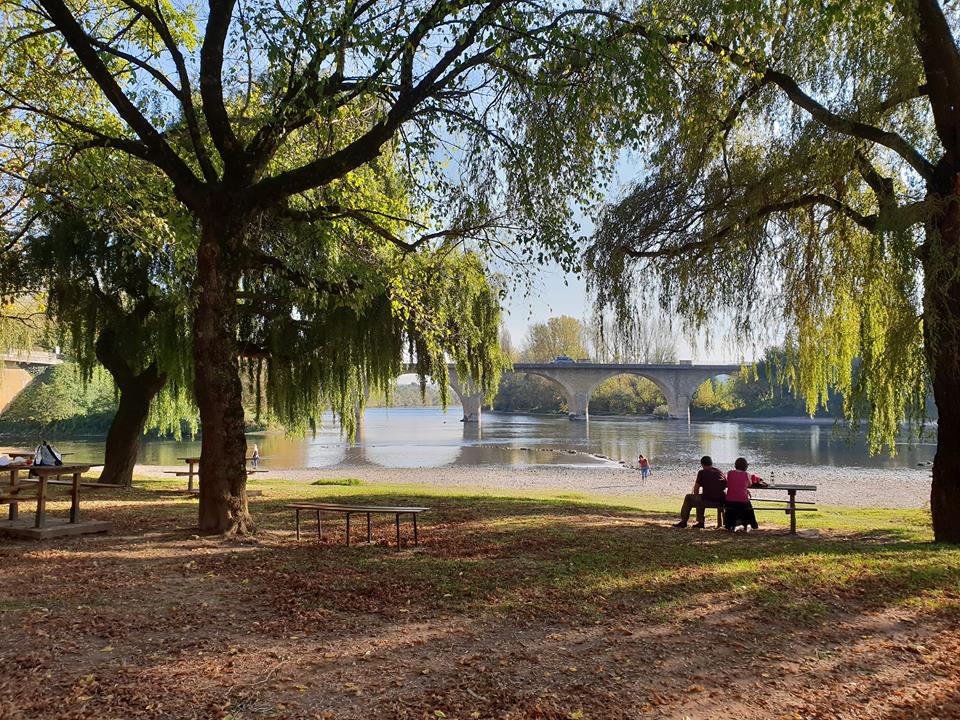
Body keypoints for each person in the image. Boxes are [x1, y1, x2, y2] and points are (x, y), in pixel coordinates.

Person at [673, 456, 726, 528]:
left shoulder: (702, 472)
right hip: (721, 500)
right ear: (711, 463)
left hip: (709, 500)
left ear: (702, 464)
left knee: (690, 497)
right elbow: (725, 485)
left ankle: (684, 521)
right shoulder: (719, 471)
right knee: (701, 497)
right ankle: (700, 522)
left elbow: (696, 489)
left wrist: (696, 495)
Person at [724, 457, 759, 532]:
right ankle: (752, 524)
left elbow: (730, 483)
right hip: (742, 502)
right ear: (745, 466)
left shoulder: (730, 473)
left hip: (730, 501)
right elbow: (749, 484)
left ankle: (730, 525)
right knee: (748, 508)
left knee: (732, 508)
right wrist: (746, 489)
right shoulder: (746, 474)